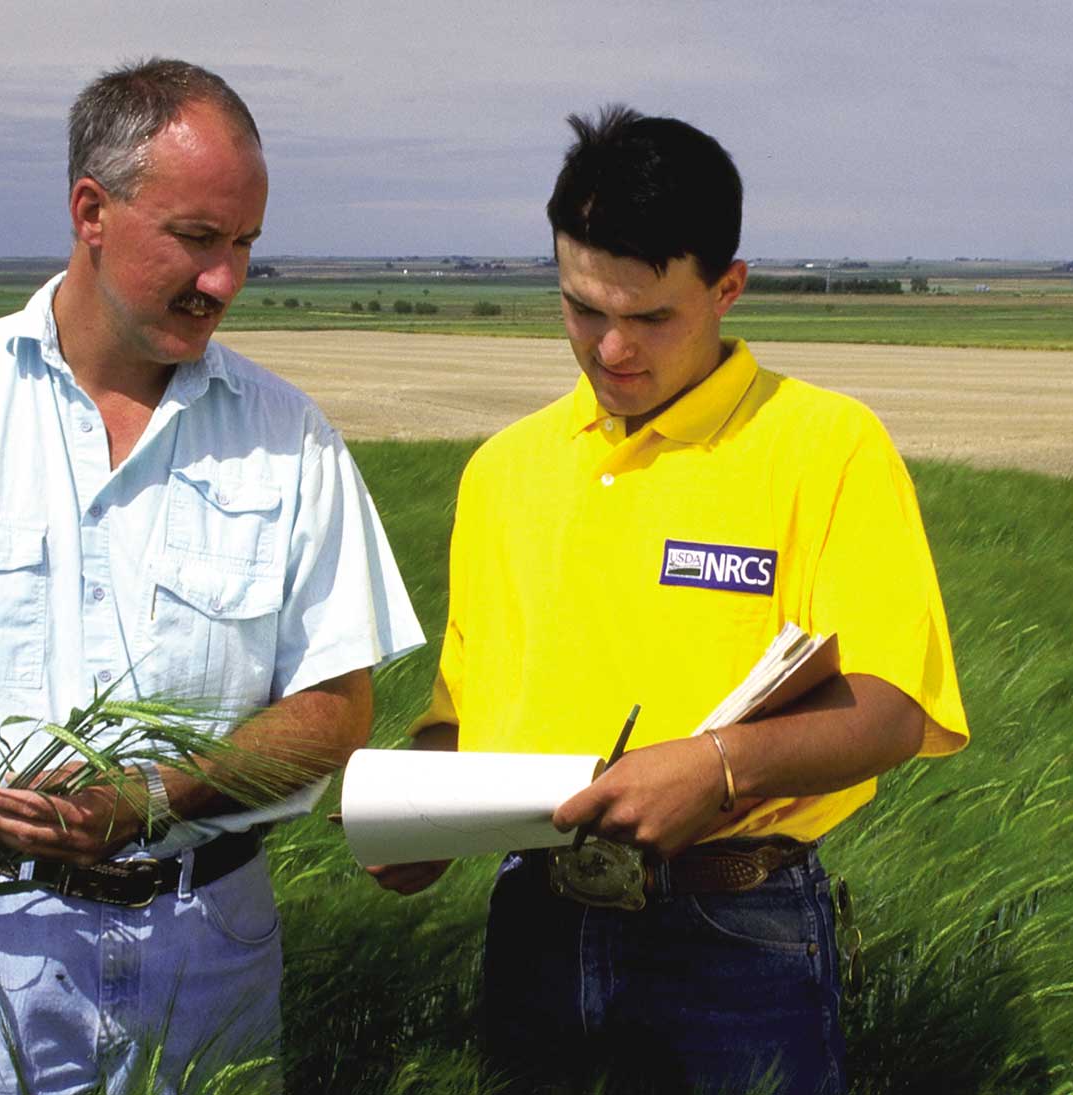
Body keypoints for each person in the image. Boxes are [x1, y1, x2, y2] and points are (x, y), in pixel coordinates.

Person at [0, 58, 422, 1093]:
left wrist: (150, 801)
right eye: (198, 240)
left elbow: (335, 709)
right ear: (91, 210)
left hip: (211, 945)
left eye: (246, 244)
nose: (226, 281)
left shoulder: (288, 439)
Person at [367, 107, 969, 1093]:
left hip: (739, 929)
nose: (611, 350)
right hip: (534, 921)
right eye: (582, 309)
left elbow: (895, 707)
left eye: (652, 317)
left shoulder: (825, 446)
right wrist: (416, 816)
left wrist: (717, 768)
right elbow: (466, 718)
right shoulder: (504, 473)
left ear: (727, 287)